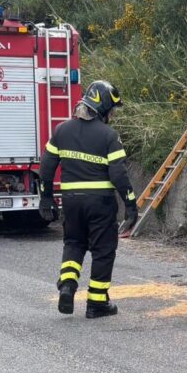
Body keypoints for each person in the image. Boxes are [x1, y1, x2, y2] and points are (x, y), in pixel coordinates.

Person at [39, 80, 138, 318]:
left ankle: (68, 285)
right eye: (111, 111)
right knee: (103, 250)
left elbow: (47, 165)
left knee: (74, 243)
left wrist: (46, 197)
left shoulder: (62, 130)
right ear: (103, 107)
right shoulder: (109, 135)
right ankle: (97, 303)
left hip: (71, 201)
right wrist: (131, 203)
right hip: (100, 203)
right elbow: (118, 174)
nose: (112, 116)